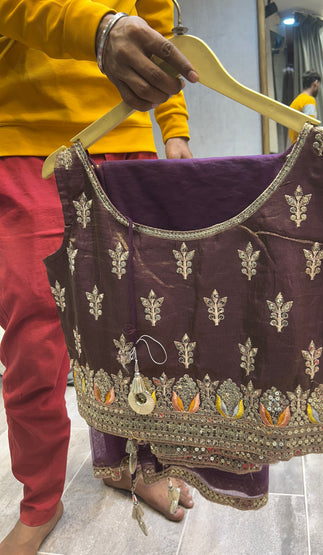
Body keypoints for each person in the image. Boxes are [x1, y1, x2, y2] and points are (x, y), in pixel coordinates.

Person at [0, 2, 199, 553]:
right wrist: (96, 30)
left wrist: (173, 124)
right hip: (23, 139)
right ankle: (42, 498)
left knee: (138, 331)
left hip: (122, 134)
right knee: (34, 346)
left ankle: (131, 462)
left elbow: (157, 26)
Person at [288, 70, 321, 144]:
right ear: (315, 83)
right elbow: (310, 129)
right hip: (303, 148)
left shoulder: (296, 101)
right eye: (318, 86)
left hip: (293, 146)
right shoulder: (309, 100)